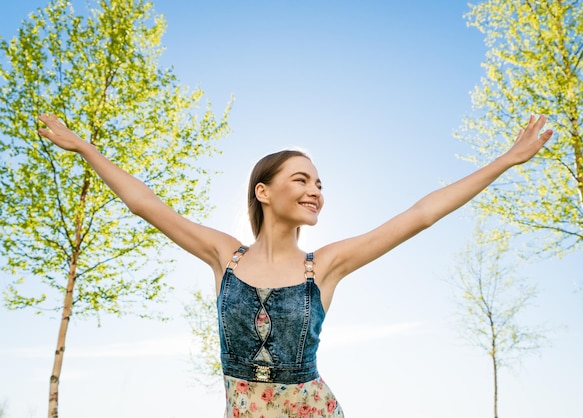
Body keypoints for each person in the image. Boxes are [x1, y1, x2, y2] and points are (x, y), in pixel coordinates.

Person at [37, 113, 553, 417]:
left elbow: (420, 215)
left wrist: (506, 159)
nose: (315, 190)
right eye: (301, 179)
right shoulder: (225, 256)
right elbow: (145, 205)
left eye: (320, 183)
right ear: (264, 191)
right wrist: (82, 147)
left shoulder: (323, 267)